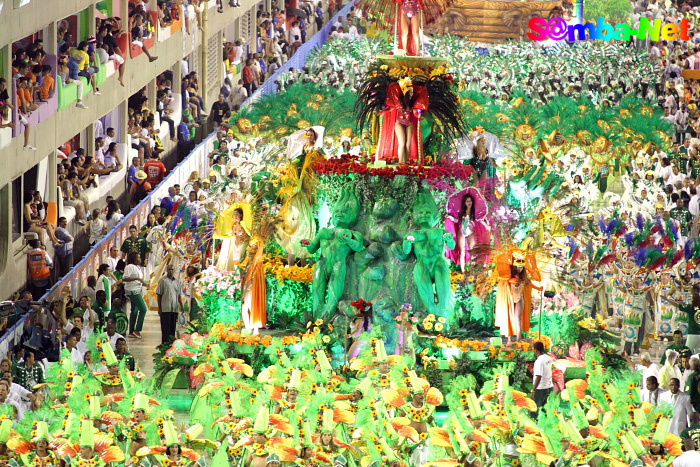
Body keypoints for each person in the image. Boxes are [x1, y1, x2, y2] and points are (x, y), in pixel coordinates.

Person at [156, 263, 183, 343]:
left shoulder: (177, 282)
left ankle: (171, 345)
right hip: (165, 309)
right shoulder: (163, 281)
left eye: (172, 269)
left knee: (172, 329)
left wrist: (181, 306)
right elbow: (159, 295)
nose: (170, 271)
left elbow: (178, 295)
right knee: (165, 329)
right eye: (169, 269)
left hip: (174, 309)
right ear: (166, 270)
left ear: (174, 271)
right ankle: (164, 345)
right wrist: (159, 308)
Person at [123, 251, 148, 339]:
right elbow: (125, 278)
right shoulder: (129, 267)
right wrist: (137, 278)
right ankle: (137, 330)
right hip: (132, 291)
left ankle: (131, 331)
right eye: (137, 257)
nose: (139, 259)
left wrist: (144, 284)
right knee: (143, 309)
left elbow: (138, 280)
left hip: (137, 289)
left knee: (134, 311)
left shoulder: (137, 267)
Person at [530, 341, 553, 414]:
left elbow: (538, 377)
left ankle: (534, 424)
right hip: (549, 387)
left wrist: (533, 391)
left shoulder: (539, 361)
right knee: (545, 410)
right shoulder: (548, 358)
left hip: (540, 389)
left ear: (535, 350)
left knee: (534, 410)